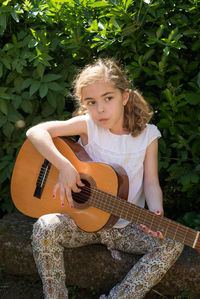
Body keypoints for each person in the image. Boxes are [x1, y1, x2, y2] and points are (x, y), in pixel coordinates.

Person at [26, 58, 184, 299]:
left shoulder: (148, 135)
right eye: (91, 102)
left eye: (108, 98)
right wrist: (65, 166)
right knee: (44, 228)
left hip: (124, 227)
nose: (100, 109)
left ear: (125, 96)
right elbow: (35, 132)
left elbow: (151, 182)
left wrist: (155, 212)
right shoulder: (88, 126)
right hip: (80, 222)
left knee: (174, 242)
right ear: (84, 105)